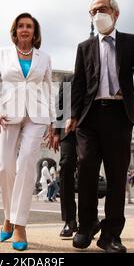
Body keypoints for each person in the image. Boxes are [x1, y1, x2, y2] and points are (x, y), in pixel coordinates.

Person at [66, 0, 134, 253]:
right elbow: (79, 83)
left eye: (101, 9)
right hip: (89, 117)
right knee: (86, 171)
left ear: (115, 13)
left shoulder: (131, 42)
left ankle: (111, 235)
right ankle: (86, 226)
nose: (97, 15)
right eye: (92, 11)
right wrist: (72, 114)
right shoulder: (85, 47)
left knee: (116, 176)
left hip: (119, 114)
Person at [0, 12, 56, 251]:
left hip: (36, 116)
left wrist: (53, 121)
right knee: (6, 167)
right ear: (14, 31)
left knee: (26, 164)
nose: (24, 29)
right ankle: (8, 215)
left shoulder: (44, 58)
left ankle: (19, 225)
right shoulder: (1, 55)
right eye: (20, 26)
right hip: (6, 115)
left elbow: (48, 89)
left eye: (29, 26)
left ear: (35, 33)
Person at [50, 74, 79, 237]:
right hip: (67, 131)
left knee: (89, 172)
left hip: (89, 130)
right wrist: (55, 132)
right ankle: (69, 220)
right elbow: (60, 104)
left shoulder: (95, 76)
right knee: (66, 167)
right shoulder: (68, 79)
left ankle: (88, 219)